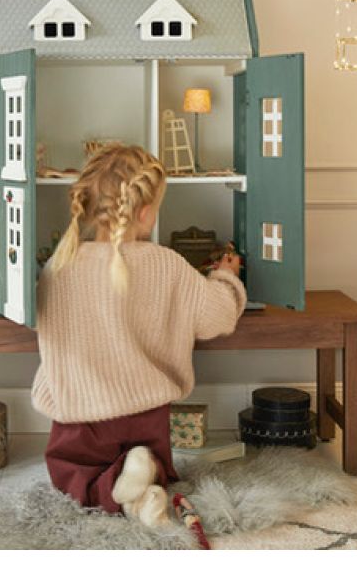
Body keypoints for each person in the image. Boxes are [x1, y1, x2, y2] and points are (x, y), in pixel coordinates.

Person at [31, 143, 245, 527]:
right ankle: (140, 488)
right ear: (145, 213)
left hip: (80, 414)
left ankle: (124, 485)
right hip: (145, 417)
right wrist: (226, 277)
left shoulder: (58, 268)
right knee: (155, 466)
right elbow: (218, 317)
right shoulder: (166, 264)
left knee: (73, 480)